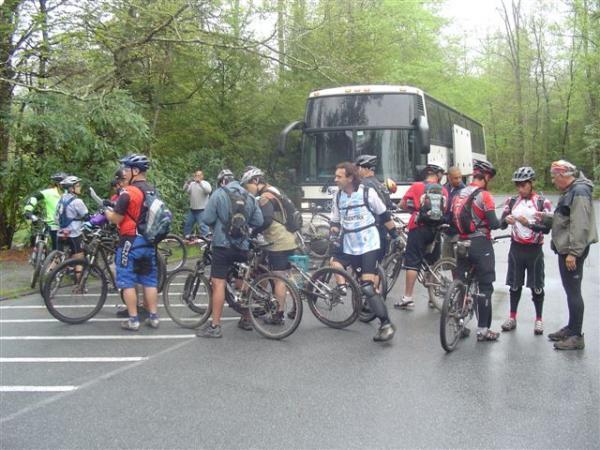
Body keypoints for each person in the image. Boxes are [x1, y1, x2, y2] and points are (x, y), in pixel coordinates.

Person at [330, 162, 401, 342]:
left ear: (350, 178)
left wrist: (395, 236)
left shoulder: (367, 193)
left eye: (339, 176)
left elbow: (384, 215)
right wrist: (333, 234)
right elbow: (336, 221)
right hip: (350, 244)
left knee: (368, 286)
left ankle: (386, 324)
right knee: (337, 264)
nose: (335, 179)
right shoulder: (338, 197)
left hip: (369, 243)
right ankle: (344, 288)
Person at [535, 160, 598, 350]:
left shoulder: (579, 192)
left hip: (573, 250)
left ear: (564, 175)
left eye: (555, 177)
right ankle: (571, 328)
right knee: (571, 290)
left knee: (573, 292)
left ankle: (576, 335)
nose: (553, 181)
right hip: (567, 249)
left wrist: (573, 253)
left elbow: (580, 225)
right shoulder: (571, 190)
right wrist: (546, 218)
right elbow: (566, 218)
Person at [197, 170, 263, 338]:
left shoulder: (219, 194)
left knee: (218, 283)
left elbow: (207, 218)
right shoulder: (249, 196)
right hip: (243, 246)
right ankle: (247, 318)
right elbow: (259, 221)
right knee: (242, 281)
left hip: (222, 245)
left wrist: (219, 224)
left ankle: (215, 326)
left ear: (221, 182)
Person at [105, 154, 160, 331]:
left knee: (127, 280)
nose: (125, 172)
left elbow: (117, 218)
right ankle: (153, 317)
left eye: (127, 169)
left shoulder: (128, 192)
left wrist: (107, 212)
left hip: (130, 241)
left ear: (135, 171)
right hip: (148, 241)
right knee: (149, 280)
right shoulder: (152, 190)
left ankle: (133, 319)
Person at [240, 167, 298, 327]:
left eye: (247, 186)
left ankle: (278, 315)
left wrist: (252, 232)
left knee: (278, 278)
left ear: (256, 181)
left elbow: (264, 220)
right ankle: (294, 305)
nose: (247, 190)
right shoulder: (275, 190)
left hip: (277, 241)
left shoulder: (265, 197)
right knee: (281, 272)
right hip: (289, 238)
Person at [452, 159, 501, 342]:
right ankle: (483, 330)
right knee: (485, 286)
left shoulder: (459, 193)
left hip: (462, 242)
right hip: (480, 244)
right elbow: (494, 223)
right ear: (486, 176)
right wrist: (505, 220)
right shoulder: (484, 196)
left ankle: (459, 322)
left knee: (462, 282)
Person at [499, 166, 552, 335]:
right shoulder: (512, 201)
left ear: (531, 183)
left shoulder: (543, 202)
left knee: (537, 286)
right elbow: (500, 224)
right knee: (514, 285)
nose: (520, 188)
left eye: (523, 185)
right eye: (518, 185)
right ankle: (512, 317)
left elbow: (546, 229)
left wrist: (527, 223)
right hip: (516, 249)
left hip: (534, 250)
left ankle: (539, 320)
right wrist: (506, 220)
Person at [394, 164, 448, 309]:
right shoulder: (443, 189)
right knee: (433, 263)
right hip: (436, 229)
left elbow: (402, 204)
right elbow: (445, 209)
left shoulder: (416, 186)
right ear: (436, 175)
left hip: (418, 227)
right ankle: (432, 298)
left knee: (412, 262)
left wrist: (411, 209)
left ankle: (407, 297)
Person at [354, 154, 396, 264]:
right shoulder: (380, 185)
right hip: (382, 230)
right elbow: (388, 206)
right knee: (376, 266)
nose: (357, 171)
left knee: (365, 268)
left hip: (368, 231)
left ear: (365, 168)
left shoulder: (363, 185)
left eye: (358, 168)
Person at [23, 172, 68, 251]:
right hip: (53, 224)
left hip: (66, 225)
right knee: (56, 248)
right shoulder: (49, 192)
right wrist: (28, 210)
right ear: (58, 184)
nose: (66, 185)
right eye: (63, 183)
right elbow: (34, 198)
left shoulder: (68, 194)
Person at [55, 176, 89, 262]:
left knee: (58, 258)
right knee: (79, 259)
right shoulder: (77, 201)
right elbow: (86, 216)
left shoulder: (61, 198)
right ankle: (78, 275)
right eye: (77, 186)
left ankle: (49, 273)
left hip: (60, 232)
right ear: (71, 188)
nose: (80, 187)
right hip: (73, 233)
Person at [441, 166, 465, 258]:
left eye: (460, 177)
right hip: (447, 232)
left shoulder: (463, 191)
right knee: (448, 262)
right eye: (456, 178)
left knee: (458, 262)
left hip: (458, 232)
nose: (459, 180)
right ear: (449, 178)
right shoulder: (444, 188)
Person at [183, 170, 212, 239]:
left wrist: (200, 183)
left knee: (203, 227)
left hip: (202, 210)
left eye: (199, 175)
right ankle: (186, 239)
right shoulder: (192, 184)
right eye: (196, 175)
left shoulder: (205, 183)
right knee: (188, 224)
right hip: (192, 210)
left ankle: (206, 241)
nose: (197, 177)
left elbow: (208, 191)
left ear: (202, 176)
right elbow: (185, 190)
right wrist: (187, 183)